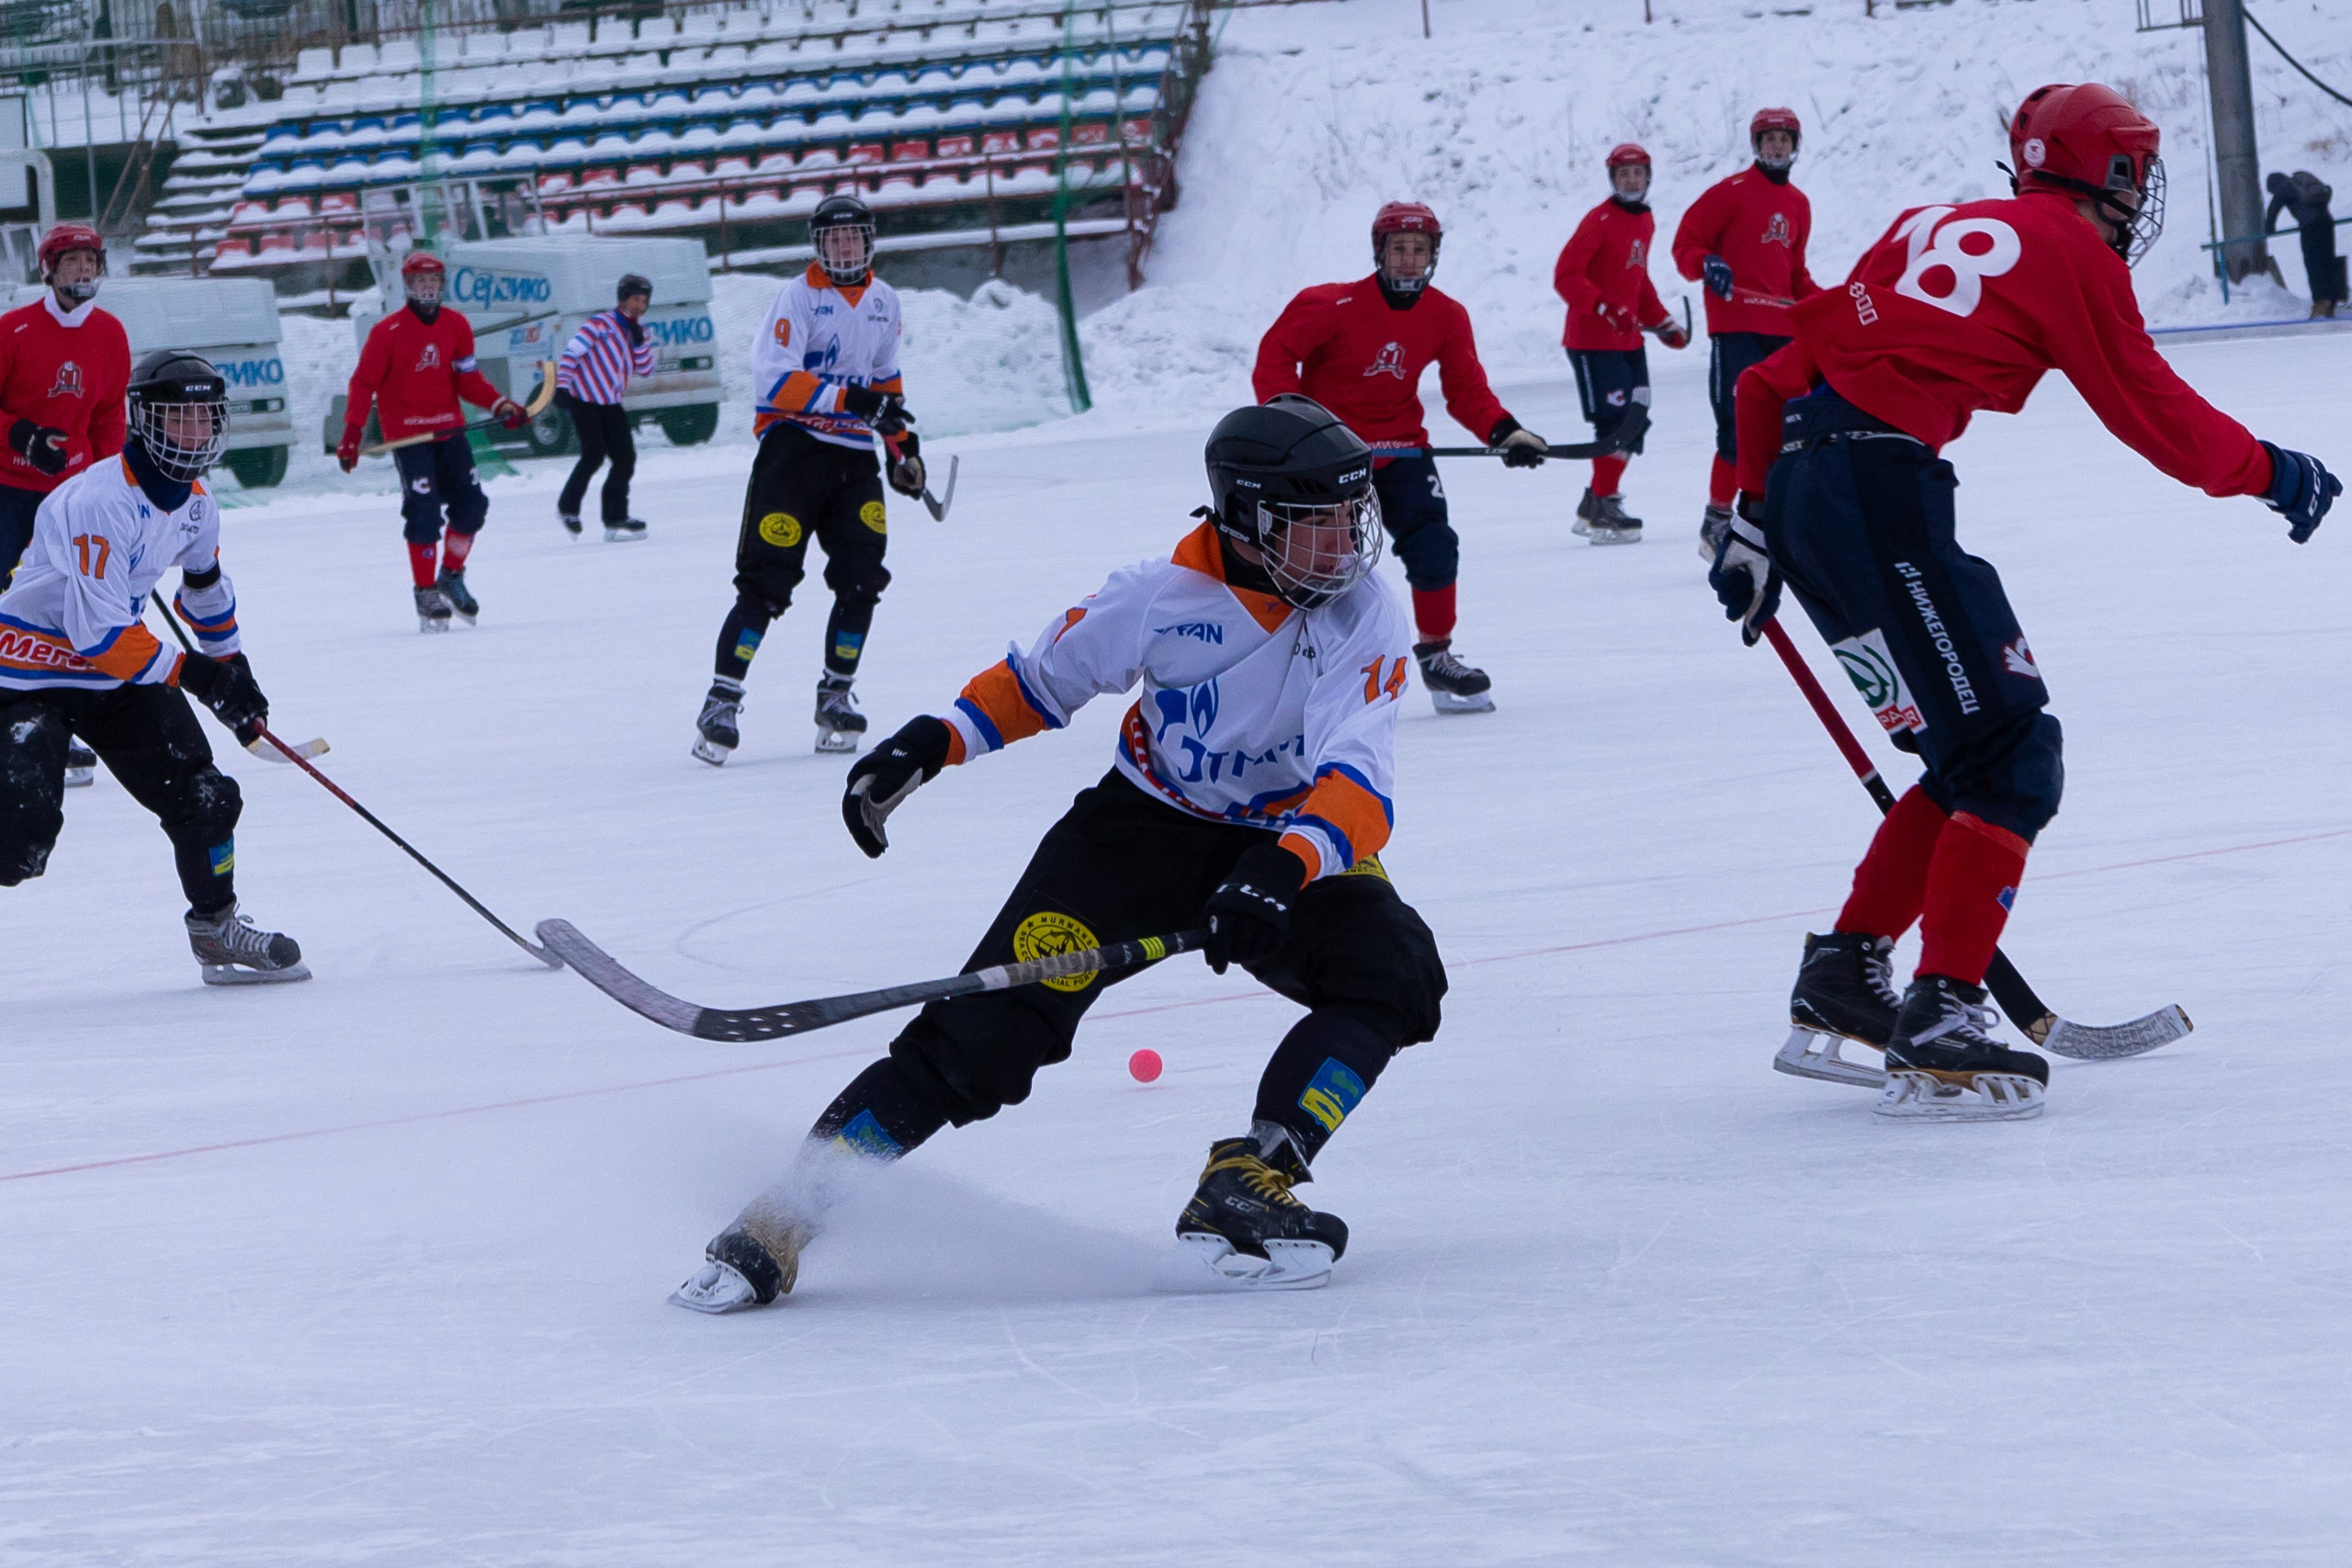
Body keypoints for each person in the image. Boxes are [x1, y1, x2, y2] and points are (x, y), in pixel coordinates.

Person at [669, 396, 1446, 1313]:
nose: (1343, 548)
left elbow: (1358, 773)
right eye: (1312, 525)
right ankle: (782, 1217)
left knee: (1394, 974)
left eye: (1349, 521)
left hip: (1292, 839)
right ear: (1243, 520)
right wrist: (932, 743)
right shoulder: (1158, 597)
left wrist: (1281, 868)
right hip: (1136, 834)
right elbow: (1043, 681)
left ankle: (1251, 1181)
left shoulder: (1362, 613)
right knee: (974, 1046)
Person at [1707, 83, 2340, 1121]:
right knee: (2012, 754)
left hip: (1816, 499)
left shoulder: (1926, 225)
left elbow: (1764, 387)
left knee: (1967, 756)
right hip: (1880, 494)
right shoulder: (2071, 252)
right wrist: (2271, 473)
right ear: (2118, 176)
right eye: (2136, 178)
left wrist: (1748, 518)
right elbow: (2149, 408)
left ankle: (1847, 967)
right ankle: (1945, 1003)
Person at [0, 351, 309, 984]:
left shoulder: (197, 504)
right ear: (145, 422)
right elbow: (100, 633)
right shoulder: (98, 501)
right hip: (26, 670)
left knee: (207, 796)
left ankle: (217, 929)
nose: (194, 432)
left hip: (113, 673)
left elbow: (204, 591)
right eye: (178, 418)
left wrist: (235, 672)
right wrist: (201, 677)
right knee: (20, 846)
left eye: (204, 417)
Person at [1252, 201, 1547, 715]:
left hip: (1402, 449)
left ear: (1434, 255)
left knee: (1435, 546)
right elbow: (1274, 357)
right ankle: (1300, 666)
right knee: (1324, 566)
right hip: (1330, 455)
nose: (1409, 260)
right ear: (1379, 252)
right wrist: (1296, 429)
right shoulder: (1332, 305)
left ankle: (1436, 655)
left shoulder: (1446, 316)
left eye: (1420, 250)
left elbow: (1465, 389)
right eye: (1399, 249)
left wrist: (1506, 431)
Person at [694, 194, 926, 763]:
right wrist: (858, 401)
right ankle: (721, 702)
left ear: (869, 241)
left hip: (853, 458)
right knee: (765, 583)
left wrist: (903, 448)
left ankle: (836, 695)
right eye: (834, 239)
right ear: (818, 245)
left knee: (863, 577)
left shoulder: (884, 302)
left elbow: (885, 381)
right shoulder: (796, 298)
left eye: (853, 237)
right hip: (793, 453)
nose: (844, 247)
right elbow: (776, 382)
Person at [0, 223, 132, 790]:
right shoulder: (13, 330)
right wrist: (23, 437)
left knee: (66, 607)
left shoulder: (110, 334)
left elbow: (107, 418)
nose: (83, 270)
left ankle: (58, 723)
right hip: (8, 490)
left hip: (72, 499)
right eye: (71, 261)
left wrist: (114, 485)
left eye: (90, 261)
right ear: (48, 269)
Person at [336, 250, 526, 631]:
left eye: (433, 281)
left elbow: (468, 378)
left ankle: (451, 576)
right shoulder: (386, 332)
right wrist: (352, 434)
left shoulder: (456, 325)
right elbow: (363, 384)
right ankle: (425, 591)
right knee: (423, 512)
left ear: (442, 285)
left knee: (472, 507)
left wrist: (499, 404)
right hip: (410, 437)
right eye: (419, 282)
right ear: (407, 286)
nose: (427, 287)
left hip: (450, 431)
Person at [1673, 107, 1818, 558]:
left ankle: (1768, 520)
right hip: (1736, 329)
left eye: (1784, 139)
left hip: (1783, 334)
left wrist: (1823, 305)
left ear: (1796, 146)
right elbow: (1686, 245)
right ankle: (1715, 522)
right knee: (1736, 433)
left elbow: (1795, 274)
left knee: (1784, 430)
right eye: (1769, 139)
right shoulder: (1729, 193)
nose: (1777, 146)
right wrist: (1706, 264)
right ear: (1756, 145)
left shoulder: (1798, 204)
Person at [1554, 144, 1691, 544]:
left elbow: (1636, 280)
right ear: (1612, 179)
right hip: (1593, 341)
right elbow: (1566, 276)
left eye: (1637, 173)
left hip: (1629, 339)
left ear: (1648, 177)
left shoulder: (1644, 221)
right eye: (1623, 174)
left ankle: (1594, 502)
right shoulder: (1598, 221)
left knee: (1636, 420)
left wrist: (1662, 321)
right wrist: (1602, 306)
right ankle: (1604, 505)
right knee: (1613, 424)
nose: (1631, 180)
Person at [555, 272, 659, 540]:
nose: (640, 306)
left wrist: (639, 343)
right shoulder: (600, 324)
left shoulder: (639, 332)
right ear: (623, 299)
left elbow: (646, 370)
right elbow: (571, 353)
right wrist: (562, 386)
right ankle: (568, 508)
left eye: (644, 301)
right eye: (636, 299)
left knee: (625, 458)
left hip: (611, 403)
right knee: (594, 453)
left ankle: (615, 517)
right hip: (584, 400)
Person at [2265, 170, 2342, 319]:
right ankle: (2332, 300)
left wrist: (2269, 229)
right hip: (2326, 222)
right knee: (2328, 260)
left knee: (2313, 263)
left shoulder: (2282, 187)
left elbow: (2273, 209)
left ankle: (2320, 302)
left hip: (2310, 227)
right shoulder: (2300, 183)